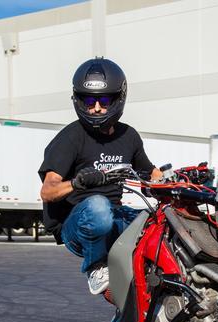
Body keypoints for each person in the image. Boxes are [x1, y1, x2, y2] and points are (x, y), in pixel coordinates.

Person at [38, 57, 161, 295]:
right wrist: (78, 182)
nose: (95, 107)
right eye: (88, 100)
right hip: (78, 226)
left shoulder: (129, 136)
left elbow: (152, 173)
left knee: (157, 221)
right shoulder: (71, 137)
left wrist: (181, 180)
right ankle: (96, 267)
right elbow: (48, 191)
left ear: (118, 99)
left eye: (103, 101)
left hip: (115, 216)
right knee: (98, 205)